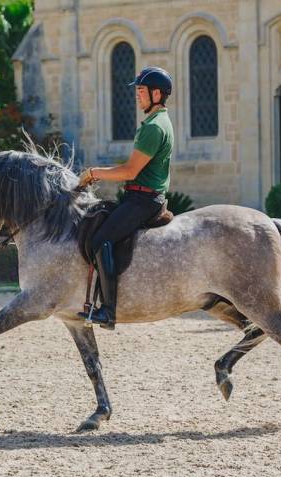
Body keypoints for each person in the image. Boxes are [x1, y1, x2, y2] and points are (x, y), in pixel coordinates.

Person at [76, 66, 174, 330]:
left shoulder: (154, 127)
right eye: (138, 91)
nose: (137, 96)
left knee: (100, 239)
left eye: (141, 91)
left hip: (142, 201)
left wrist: (93, 173)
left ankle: (108, 311)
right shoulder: (156, 122)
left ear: (157, 94)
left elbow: (130, 171)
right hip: (140, 197)